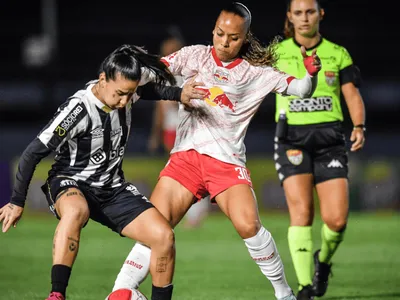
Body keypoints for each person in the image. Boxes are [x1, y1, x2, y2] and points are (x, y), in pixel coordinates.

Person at [109, 2, 322, 299]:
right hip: (185, 157)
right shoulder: (194, 55)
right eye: (220, 33)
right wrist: (126, 76)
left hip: (225, 160)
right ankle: (121, 289)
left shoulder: (255, 72)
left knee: (249, 225)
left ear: (244, 38)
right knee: (155, 226)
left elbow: (300, 89)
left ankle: (284, 294)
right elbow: (155, 71)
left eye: (233, 37)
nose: (224, 41)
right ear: (214, 29)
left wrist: (310, 75)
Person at [0, 44, 206, 300]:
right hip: (71, 181)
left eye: (129, 95)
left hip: (111, 188)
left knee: (164, 237)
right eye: (120, 94)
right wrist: (16, 202)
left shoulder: (126, 91)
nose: (124, 101)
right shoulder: (78, 110)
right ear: (102, 80)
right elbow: (33, 152)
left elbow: (150, 90)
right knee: (76, 210)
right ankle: (56, 295)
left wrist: (178, 94)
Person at [273, 0, 366, 299]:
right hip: (291, 140)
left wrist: (359, 126)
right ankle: (303, 288)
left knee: (336, 221)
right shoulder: (276, 54)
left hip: (330, 141)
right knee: (301, 213)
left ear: (320, 14)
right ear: (290, 16)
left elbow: (351, 93)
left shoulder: (337, 53)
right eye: (298, 13)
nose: (304, 18)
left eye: (310, 11)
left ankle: (322, 262)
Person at [148, 30, 211, 229]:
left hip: (191, 128)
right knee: (178, 171)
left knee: (196, 168)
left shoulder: (189, 74)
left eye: (173, 50)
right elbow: (159, 109)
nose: (169, 54)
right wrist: (155, 134)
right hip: (171, 129)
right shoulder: (162, 76)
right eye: (166, 51)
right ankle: (186, 209)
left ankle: (197, 210)